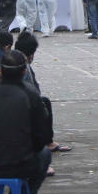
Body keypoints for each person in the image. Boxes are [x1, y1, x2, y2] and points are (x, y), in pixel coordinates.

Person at [0, 50, 53, 194]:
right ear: (24, 72)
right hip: (23, 163)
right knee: (45, 154)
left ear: (1, 70)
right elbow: (43, 136)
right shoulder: (31, 94)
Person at [15, 32, 72, 164]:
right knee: (43, 103)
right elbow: (33, 91)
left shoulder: (10, 60)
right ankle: (47, 142)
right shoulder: (23, 66)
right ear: (31, 53)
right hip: (20, 112)